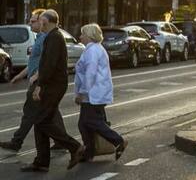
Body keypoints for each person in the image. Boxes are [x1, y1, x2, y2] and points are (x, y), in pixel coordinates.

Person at [22, 9, 84, 172]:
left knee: (42, 121)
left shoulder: (55, 38)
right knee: (40, 121)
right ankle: (41, 161)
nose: (38, 23)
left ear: (46, 22)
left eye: (40, 20)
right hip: (51, 84)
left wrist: (40, 86)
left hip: (53, 86)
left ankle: (75, 147)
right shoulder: (52, 37)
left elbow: (49, 65)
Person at [75, 24, 127, 162]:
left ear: (89, 36)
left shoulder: (92, 51)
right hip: (95, 93)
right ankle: (89, 152)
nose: (80, 37)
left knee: (91, 121)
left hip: (93, 94)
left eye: (82, 34)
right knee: (85, 123)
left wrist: (82, 92)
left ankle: (118, 141)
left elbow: (90, 73)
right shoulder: (95, 49)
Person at [0, 9, 49, 152]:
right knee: (50, 115)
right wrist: (19, 76)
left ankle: (16, 141)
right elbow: (33, 62)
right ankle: (65, 144)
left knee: (30, 113)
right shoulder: (39, 38)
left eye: (33, 21)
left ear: (42, 22)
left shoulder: (45, 39)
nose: (30, 23)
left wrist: (37, 77)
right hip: (37, 81)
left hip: (39, 82)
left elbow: (46, 62)